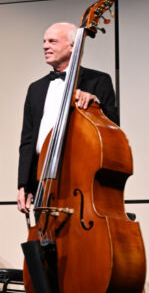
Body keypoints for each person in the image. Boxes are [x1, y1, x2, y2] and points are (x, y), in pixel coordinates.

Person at [17, 22, 117, 214]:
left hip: (80, 179)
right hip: (42, 179)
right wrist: (24, 184)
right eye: (44, 41)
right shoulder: (35, 88)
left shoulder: (98, 81)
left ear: (73, 46)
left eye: (52, 41)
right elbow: (28, 141)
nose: (45, 46)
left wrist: (96, 102)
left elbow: (113, 127)